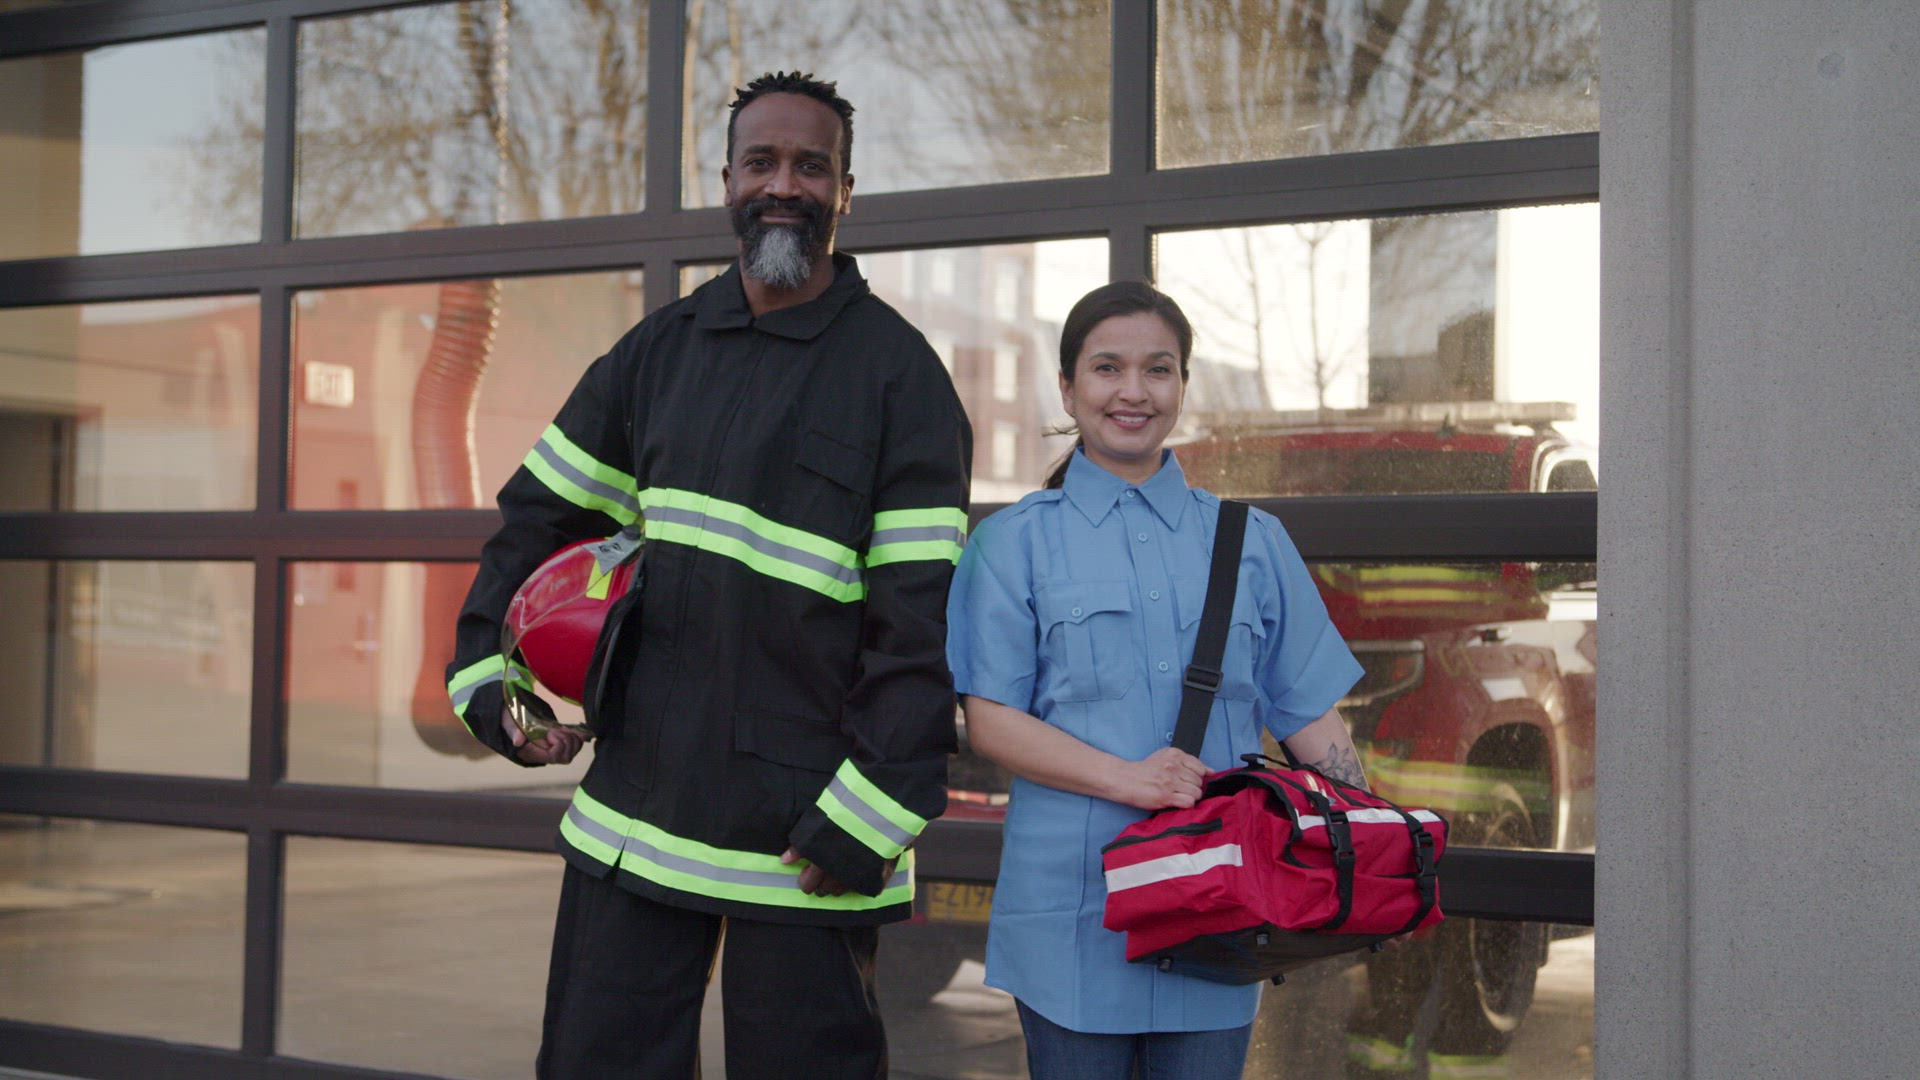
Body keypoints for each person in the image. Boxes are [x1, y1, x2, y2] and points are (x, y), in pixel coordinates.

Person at [443, 72, 972, 1080]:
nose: (785, 184)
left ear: (844, 191)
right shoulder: (660, 352)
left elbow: (923, 627)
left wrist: (873, 811)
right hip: (640, 810)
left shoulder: (901, 379)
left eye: (810, 166)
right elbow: (536, 518)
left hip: (810, 837)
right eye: (762, 162)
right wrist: (486, 676)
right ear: (726, 180)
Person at [945, 281, 1368, 1080]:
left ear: (1182, 386)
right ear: (1068, 389)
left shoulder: (1253, 542)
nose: (1133, 392)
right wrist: (1130, 779)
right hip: (1073, 921)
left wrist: (1364, 841)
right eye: (1107, 369)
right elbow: (992, 720)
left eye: (1158, 370)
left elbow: (1311, 718)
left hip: (1220, 912)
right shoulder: (1011, 545)